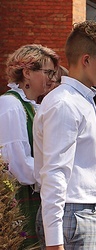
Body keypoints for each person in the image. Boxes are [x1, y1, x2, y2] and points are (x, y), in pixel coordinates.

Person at [33, 20, 96, 249]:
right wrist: (54, 243)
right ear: (87, 60)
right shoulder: (64, 104)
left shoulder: (83, 101)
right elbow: (54, 174)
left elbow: (92, 169)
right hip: (72, 217)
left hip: (87, 216)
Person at [0, 44, 59, 249]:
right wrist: (55, 176)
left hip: (34, 194)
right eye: (48, 72)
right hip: (19, 199)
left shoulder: (33, 106)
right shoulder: (10, 105)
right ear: (27, 73)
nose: (52, 78)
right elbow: (16, 164)